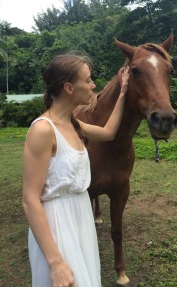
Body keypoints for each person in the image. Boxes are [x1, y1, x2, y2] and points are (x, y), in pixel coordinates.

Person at [22, 52, 129, 287]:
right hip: (57, 226)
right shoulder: (43, 130)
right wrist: (55, 263)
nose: (93, 85)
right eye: (88, 80)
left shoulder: (74, 124)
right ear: (69, 88)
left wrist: (122, 94)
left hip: (81, 218)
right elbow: (30, 200)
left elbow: (109, 132)